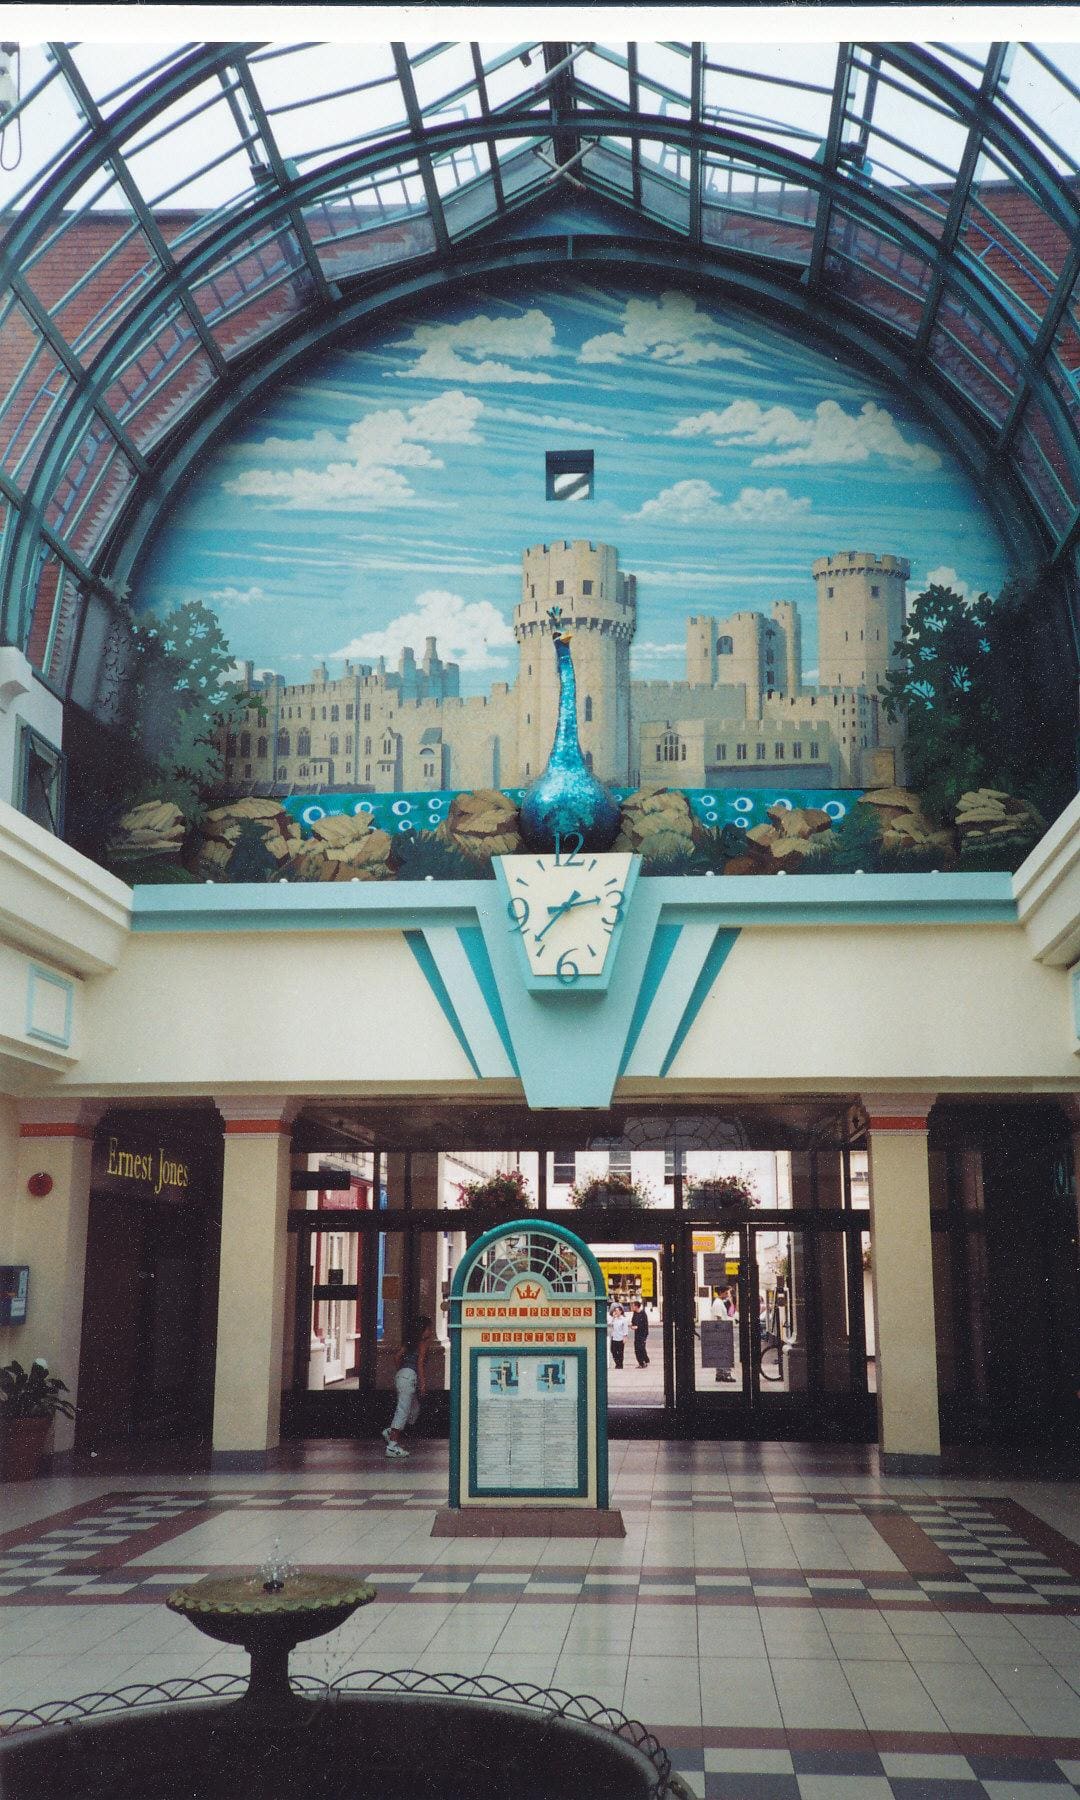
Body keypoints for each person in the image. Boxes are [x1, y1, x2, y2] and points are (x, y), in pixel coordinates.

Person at [383, 1315, 433, 1458]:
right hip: (409, 1377)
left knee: (414, 1410)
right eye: (429, 1328)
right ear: (423, 1330)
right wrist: (423, 1383)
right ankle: (392, 1447)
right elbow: (420, 1364)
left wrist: (402, 1372)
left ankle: (390, 1431)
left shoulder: (410, 1342)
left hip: (402, 1375)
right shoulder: (423, 1344)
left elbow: (396, 1357)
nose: (431, 1331)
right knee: (403, 1411)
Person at [712, 1287, 736, 1383]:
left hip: (720, 1331)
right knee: (726, 1353)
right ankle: (726, 1374)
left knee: (720, 1353)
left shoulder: (719, 1302)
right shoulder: (718, 1303)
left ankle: (720, 1374)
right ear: (721, 1293)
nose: (727, 1295)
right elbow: (719, 1318)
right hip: (722, 1331)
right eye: (726, 1293)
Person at [608, 1302, 629, 1369]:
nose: (616, 1312)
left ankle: (620, 1365)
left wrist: (625, 1337)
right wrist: (613, 1317)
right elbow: (610, 1324)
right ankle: (617, 1363)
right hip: (614, 1337)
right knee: (613, 1351)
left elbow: (625, 1329)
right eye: (615, 1311)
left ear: (621, 1311)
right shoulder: (614, 1318)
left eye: (617, 1311)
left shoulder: (624, 1320)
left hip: (620, 1338)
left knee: (620, 1352)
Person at [630, 1298, 650, 1368]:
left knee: (641, 1348)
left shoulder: (643, 1313)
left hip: (643, 1334)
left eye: (633, 1306)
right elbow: (633, 1321)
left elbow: (645, 1325)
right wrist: (633, 1326)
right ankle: (641, 1363)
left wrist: (637, 1327)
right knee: (636, 1349)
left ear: (636, 1306)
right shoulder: (635, 1313)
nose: (632, 1307)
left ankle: (645, 1360)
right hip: (637, 1334)